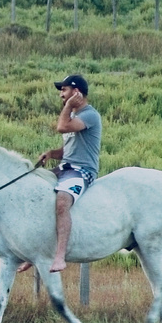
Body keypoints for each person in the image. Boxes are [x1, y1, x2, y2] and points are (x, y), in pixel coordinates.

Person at [30, 74, 102, 274]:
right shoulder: (74, 117)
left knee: (62, 201)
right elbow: (68, 149)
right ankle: (35, 250)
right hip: (65, 167)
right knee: (34, 190)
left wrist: (69, 106)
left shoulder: (89, 115)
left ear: (76, 92)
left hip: (82, 171)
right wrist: (52, 154)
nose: (61, 94)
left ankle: (60, 256)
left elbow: (61, 128)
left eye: (64, 90)